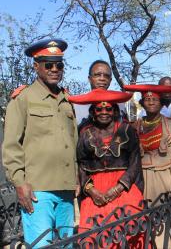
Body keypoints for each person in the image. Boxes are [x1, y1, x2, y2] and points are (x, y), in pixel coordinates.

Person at [2, 39, 78, 246]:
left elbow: (73, 142)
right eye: (48, 64)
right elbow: (11, 146)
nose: (55, 69)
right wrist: (19, 183)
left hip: (66, 187)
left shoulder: (67, 100)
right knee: (41, 244)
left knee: (66, 244)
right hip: (37, 190)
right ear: (36, 66)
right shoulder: (23, 99)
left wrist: (77, 177)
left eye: (59, 64)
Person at [69, 89, 144, 247]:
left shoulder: (126, 131)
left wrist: (117, 189)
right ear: (93, 112)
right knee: (95, 236)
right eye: (99, 109)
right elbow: (81, 164)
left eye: (108, 109)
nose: (104, 112)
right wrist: (90, 190)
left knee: (129, 233)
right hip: (95, 191)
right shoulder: (85, 134)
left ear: (115, 110)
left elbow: (135, 162)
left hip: (124, 188)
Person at [124, 84, 171, 249]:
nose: (151, 102)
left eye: (154, 99)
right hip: (146, 179)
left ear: (161, 103)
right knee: (155, 221)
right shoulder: (136, 126)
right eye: (147, 100)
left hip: (169, 176)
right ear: (142, 103)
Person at [74, 60, 127, 126]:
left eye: (106, 76)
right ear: (89, 79)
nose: (102, 78)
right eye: (97, 75)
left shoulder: (120, 104)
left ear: (110, 80)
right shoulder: (77, 105)